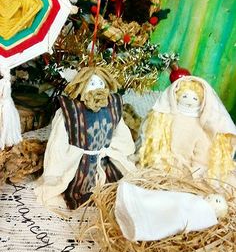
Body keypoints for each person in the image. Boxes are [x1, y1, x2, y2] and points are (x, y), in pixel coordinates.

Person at [35, 66, 136, 209]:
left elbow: (121, 133)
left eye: (101, 83)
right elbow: (58, 141)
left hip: (103, 160)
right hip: (80, 163)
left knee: (115, 187)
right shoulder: (71, 110)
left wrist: (123, 151)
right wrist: (57, 165)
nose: (97, 88)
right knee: (78, 189)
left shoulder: (112, 106)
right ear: (82, 84)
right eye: (92, 83)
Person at [138, 76, 236, 186]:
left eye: (195, 98)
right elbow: (159, 142)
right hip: (166, 165)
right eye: (184, 96)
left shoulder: (202, 126)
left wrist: (196, 171)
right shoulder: (166, 120)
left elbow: (201, 153)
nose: (189, 101)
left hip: (190, 172)